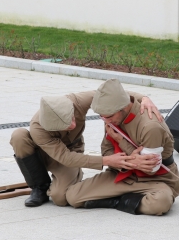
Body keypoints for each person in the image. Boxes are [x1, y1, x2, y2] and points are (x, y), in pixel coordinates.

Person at [10, 88, 162, 207]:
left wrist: (143, 98)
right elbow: (65, 158)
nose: (73, 125)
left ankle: (70, 178)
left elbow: (111, 94)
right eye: (66, 126)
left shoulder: (77, 101)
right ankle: (39, 187)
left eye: (72, 118)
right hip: (50, 153)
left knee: (60, 198)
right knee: (19, 136)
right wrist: (107, 160)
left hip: (71, 149)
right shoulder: (38, 128)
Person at [65, 79, 179, 216]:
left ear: (125, 106)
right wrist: (128, 162)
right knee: (73, 196)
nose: (106, 121)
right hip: (122, 174)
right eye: (102, 117)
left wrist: (121, 141)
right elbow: (106, 151)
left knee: (160, 203)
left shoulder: (150, 127)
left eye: (109, 116)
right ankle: (126, 200)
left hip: (156, 180)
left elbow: (150, 169)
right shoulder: (110, 116)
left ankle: (115, 200)